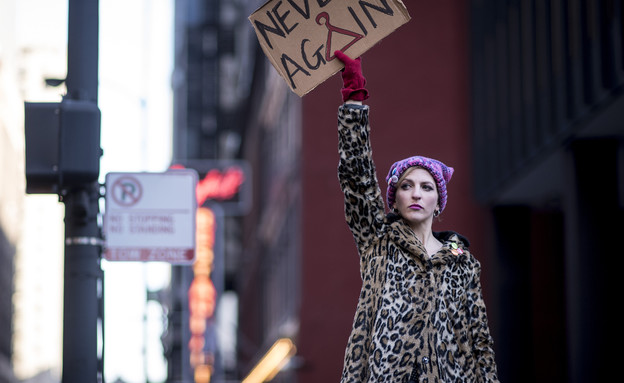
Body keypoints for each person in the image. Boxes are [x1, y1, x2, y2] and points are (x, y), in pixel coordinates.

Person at [333, 50, 499, 383]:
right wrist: (354, 97)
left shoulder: (462, 263)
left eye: (426, 187)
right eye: (406, 186)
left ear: (439, 202)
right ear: (394, 199)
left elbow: (479, 341)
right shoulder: (378, 244)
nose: (416, 193)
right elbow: (357, 179)